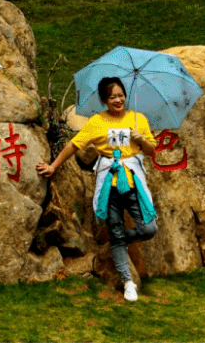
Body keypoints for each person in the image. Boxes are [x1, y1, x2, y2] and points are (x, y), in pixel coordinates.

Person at [37, 77, 157, 303]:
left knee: (149, 228)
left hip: (133, 181)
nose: (118, 100)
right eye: (112, 97)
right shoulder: (97, 122)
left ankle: (118, 240)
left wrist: (141, 138)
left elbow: (151, 150)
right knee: (114, 225)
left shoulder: (138, 119)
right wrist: (53, 166)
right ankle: (127, 281)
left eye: (121, 95)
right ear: (104, 100)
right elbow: (74, 145)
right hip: (108, 182)